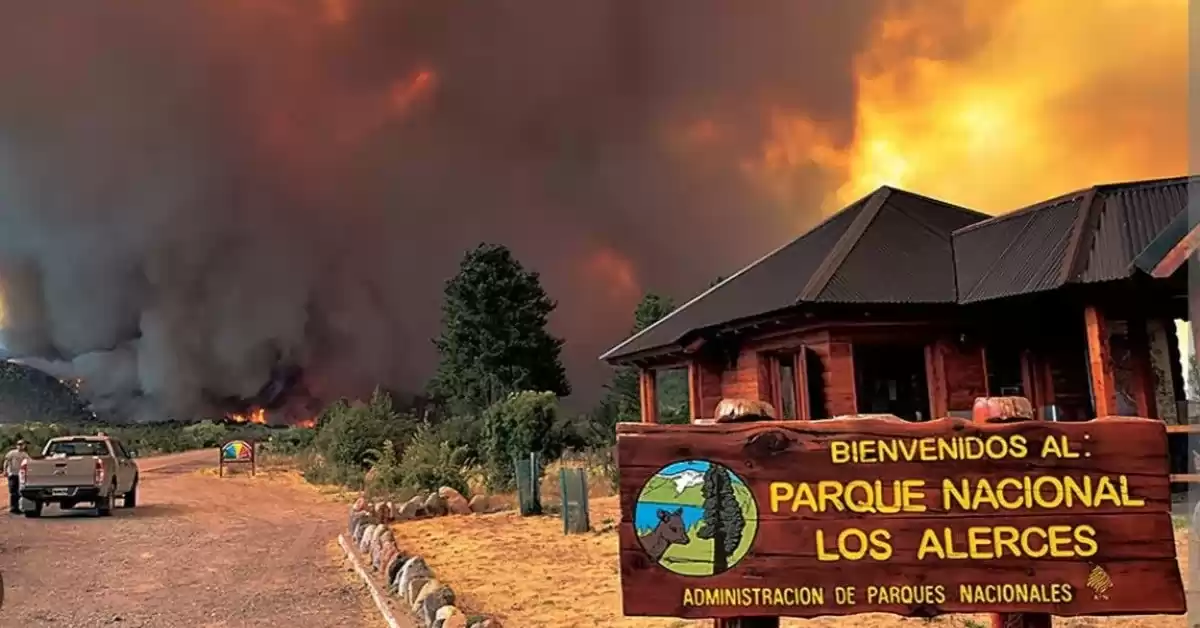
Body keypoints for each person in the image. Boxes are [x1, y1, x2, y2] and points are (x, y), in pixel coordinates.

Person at [4, 440, 30, 514]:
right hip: (12, 474)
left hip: (21, 475)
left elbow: (28, 462)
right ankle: (13, 507)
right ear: (17, 445)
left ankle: (17, 507)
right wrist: (5, 470)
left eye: (22, 444)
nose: (21, 446)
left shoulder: (25, 454)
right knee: (13, 491)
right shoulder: (12, 453)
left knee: (19, 491)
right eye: (19, 444)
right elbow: (6, 461)